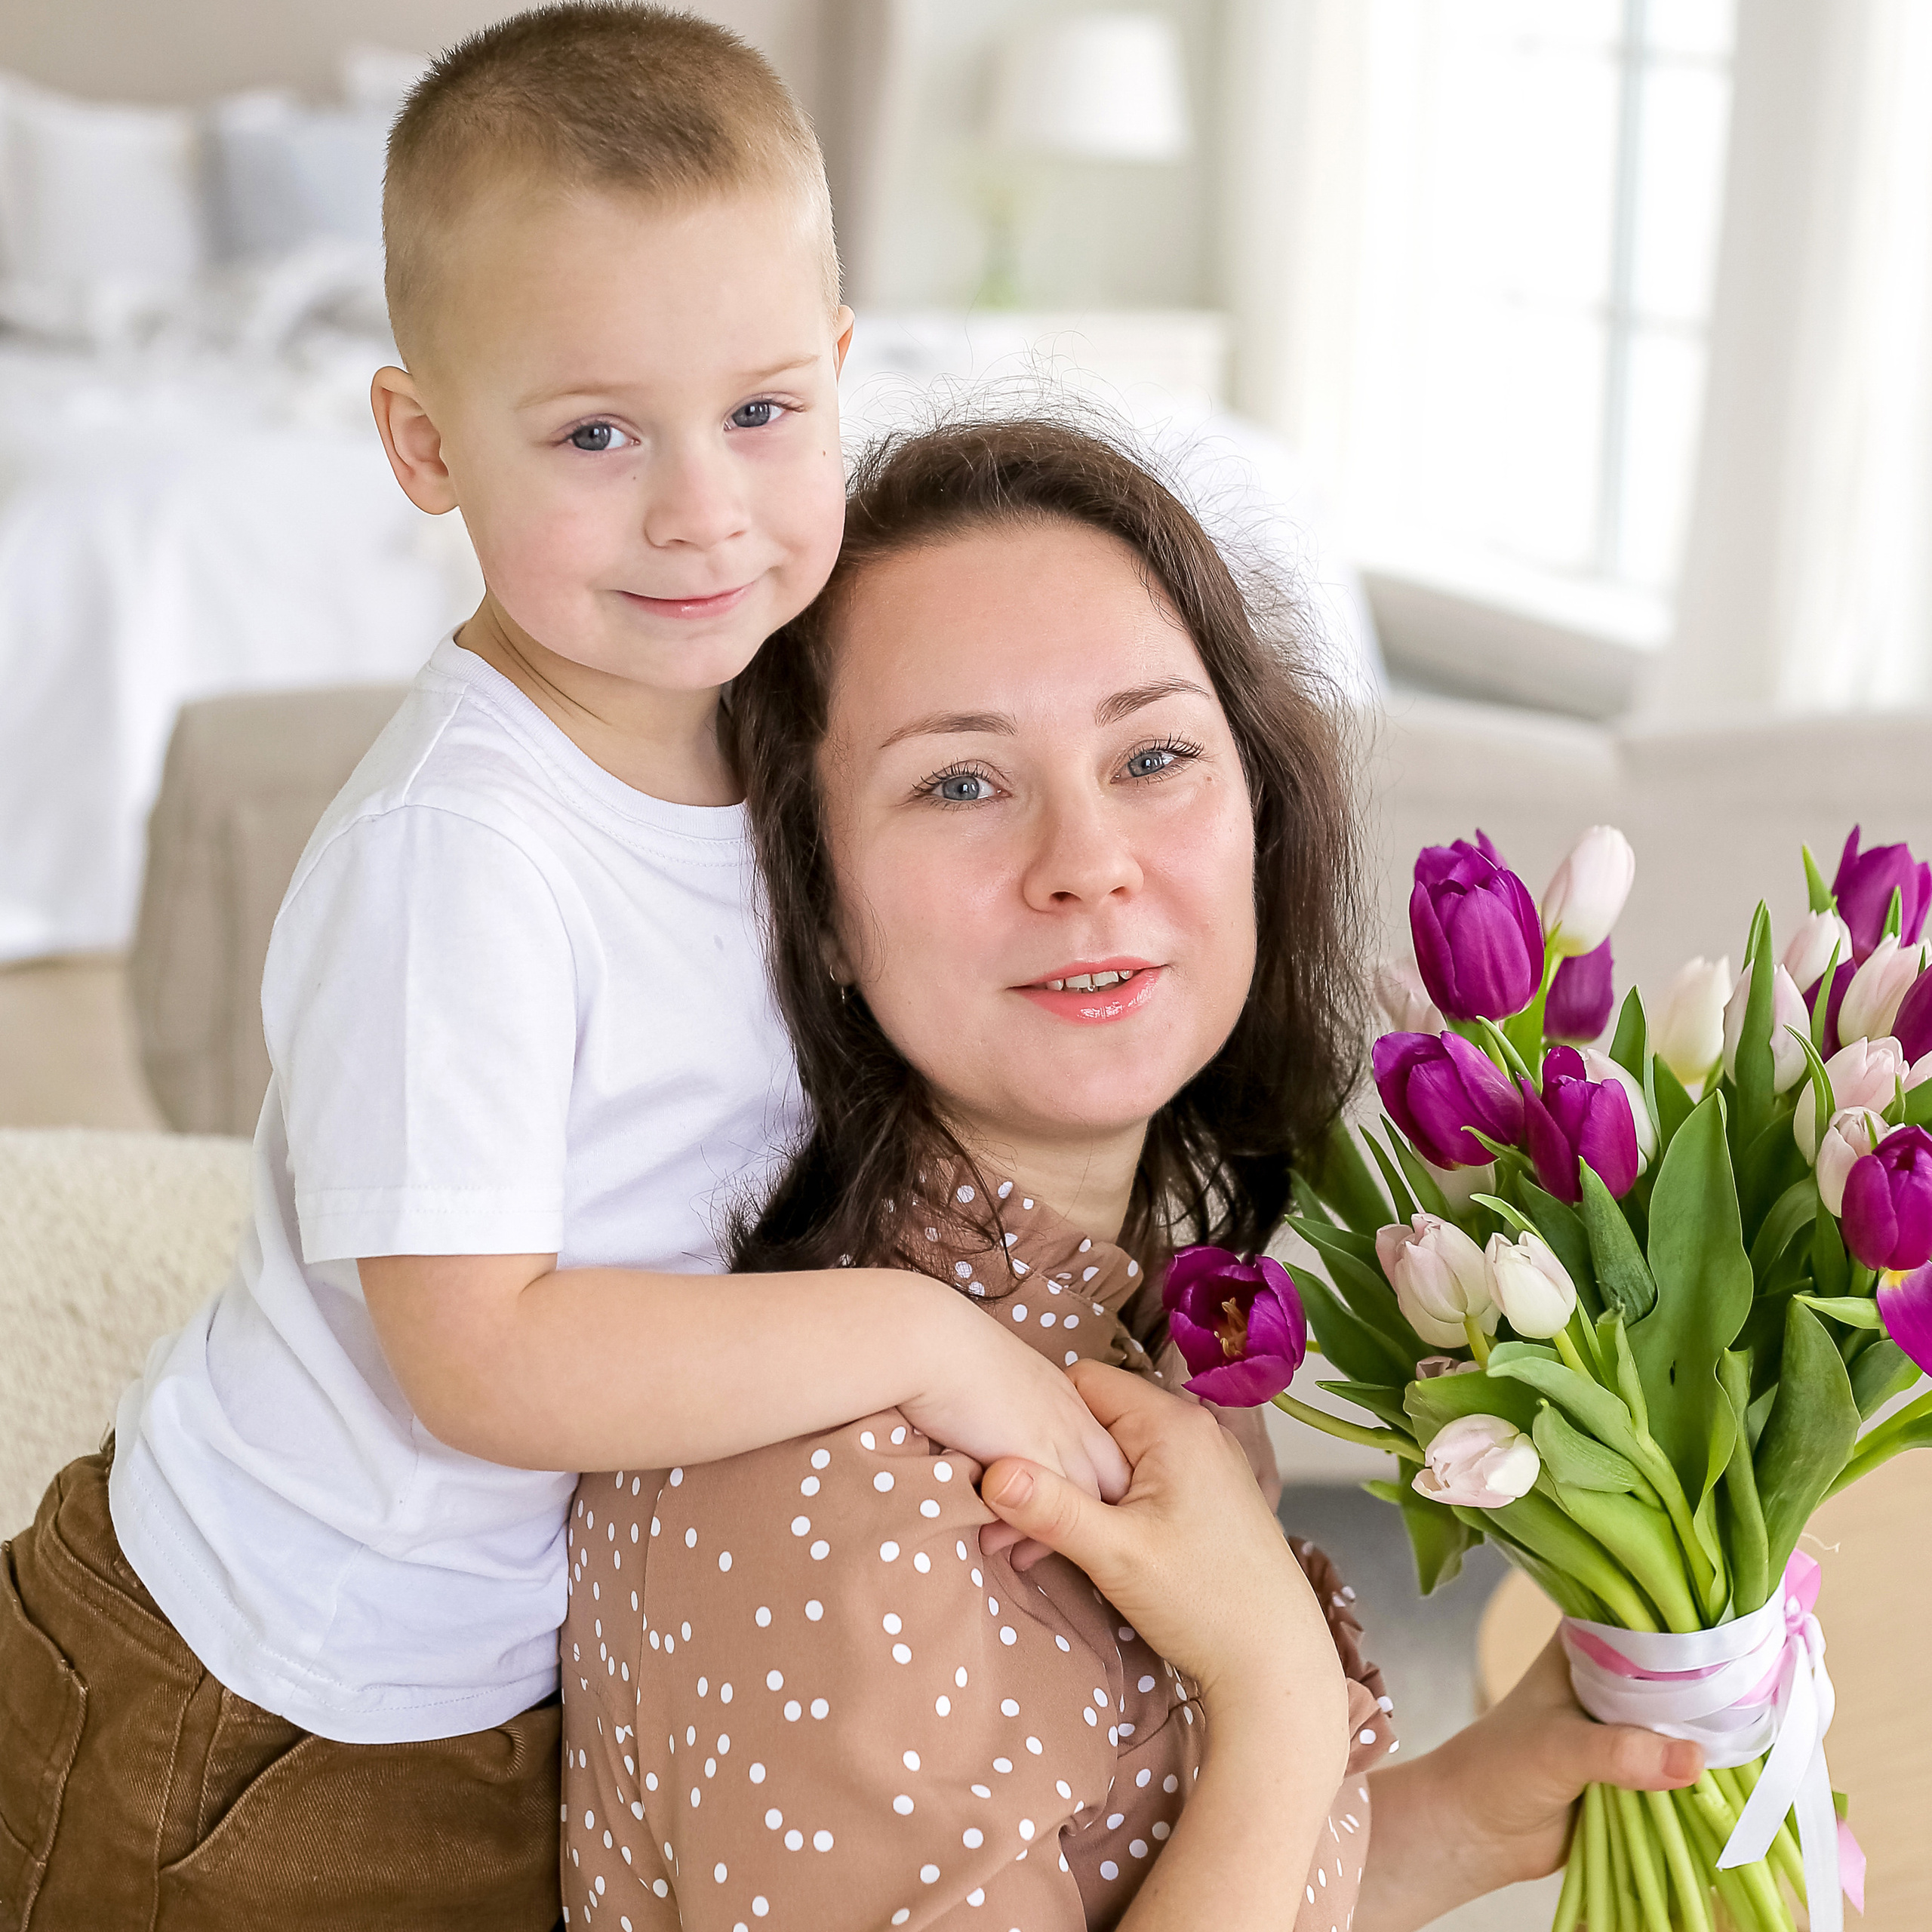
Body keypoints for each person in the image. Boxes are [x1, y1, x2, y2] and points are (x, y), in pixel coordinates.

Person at [0, 16, 1127, 1929]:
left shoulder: (760, 715)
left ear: (841, 373)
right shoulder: (464, 849)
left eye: (762, 413)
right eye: (598, 433)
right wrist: (930, 1338)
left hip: (516, 1657)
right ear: (424, 445)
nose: (700, 507)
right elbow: (481, 1352)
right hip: (270, 1695)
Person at [557, 420, 1706, 1930]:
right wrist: (1277, 1688)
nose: (1086, 857)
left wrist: (1464, 1808)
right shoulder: (822, 1475)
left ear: (1257, 812)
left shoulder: (1110, 1322)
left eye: (1153, 754)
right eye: (961, 783)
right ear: (816, 901)